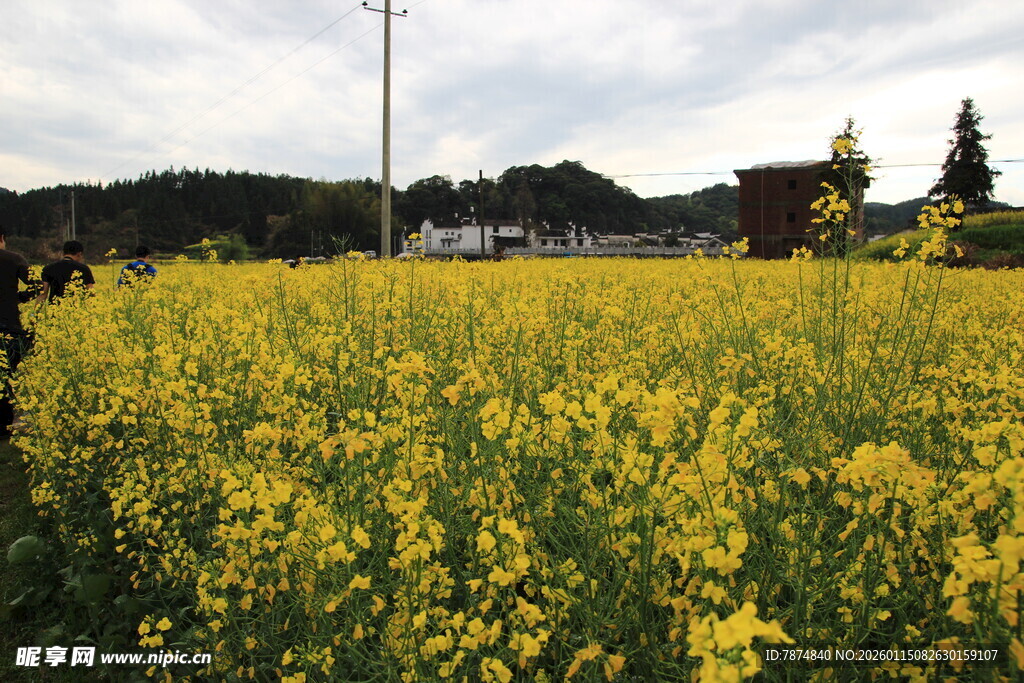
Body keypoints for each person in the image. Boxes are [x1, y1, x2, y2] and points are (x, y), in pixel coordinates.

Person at [0, 227, 40, 438]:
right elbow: (38, 286)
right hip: (9, 327)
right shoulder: (14, 259)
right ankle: (4, 427)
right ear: (2, 239)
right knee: (6, 376)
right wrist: (19, 298)